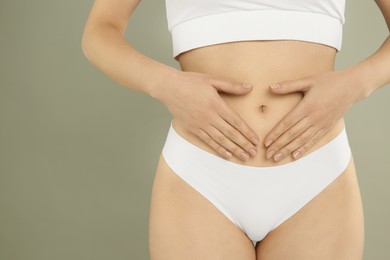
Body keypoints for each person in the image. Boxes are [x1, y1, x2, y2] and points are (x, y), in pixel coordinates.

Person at [81, 0, 390, 259]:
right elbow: (99, 32)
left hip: (317, 174)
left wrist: (355, 85)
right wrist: (165, 85)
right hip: (202, 176)